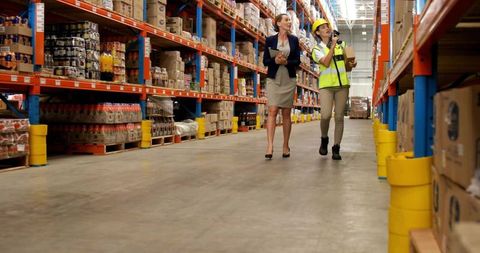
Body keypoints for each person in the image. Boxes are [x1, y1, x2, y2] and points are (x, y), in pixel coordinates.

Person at [311, 18, 357, 160]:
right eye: (323, 27)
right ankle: (324, 138)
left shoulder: (342, 44)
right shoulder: (317, 49)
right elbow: (325, 62)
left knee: (339, 117)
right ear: (318, 32)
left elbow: (349, 62)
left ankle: (336, 147)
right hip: (326, 86)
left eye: (327, 26)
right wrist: (332, 46)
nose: (327, 28)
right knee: (325, 115)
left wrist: (352, 62)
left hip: (342, 85)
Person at [262, 13, 301, 160]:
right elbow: (265, 61)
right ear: (278, 23)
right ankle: (270, 145)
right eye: (286, 20)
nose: (289, 22)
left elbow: (297, 61)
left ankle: (285, 145)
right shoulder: (270, 40)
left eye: (290, 20)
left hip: (288, 79)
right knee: (272, 110)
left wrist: (286, 62)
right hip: (274, 78)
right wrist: (275, 61)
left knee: (286, 113)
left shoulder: (294, 40)